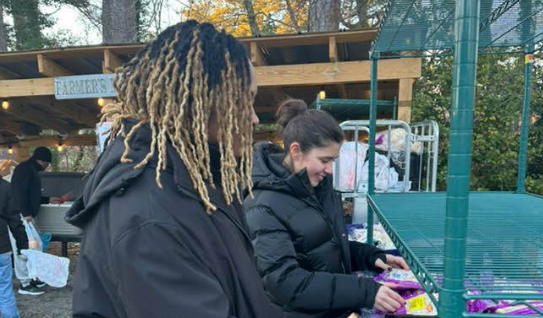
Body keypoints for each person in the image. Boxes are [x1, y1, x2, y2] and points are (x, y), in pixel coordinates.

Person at [65, 20, 284, 318]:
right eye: (246, 100)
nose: (255, 118)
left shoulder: (199, 181)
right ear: (203, 102)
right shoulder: (149, 216)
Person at [244, 99, 409, 318]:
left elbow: (324, 246)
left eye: (334, 160)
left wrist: (369, 256)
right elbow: (285, 283)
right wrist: (362, 290)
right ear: (295, 151)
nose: (330, 169)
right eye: (325, 160)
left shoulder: (318, 186)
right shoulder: (262, 205)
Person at [10, 147, 60, 295]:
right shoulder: (25, 169)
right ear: (42, 160)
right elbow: (20, 193)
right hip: (21, 216)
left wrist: (47, 199)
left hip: (27, 216)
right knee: (23, 249)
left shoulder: (30, 170)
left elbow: (32, 194)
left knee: (34, 247)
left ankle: (32, 277)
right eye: (47, 163)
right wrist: (25, 213)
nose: (47, 167)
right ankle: (25, 283)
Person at [0, 175, 28, 318]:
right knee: (4, 290)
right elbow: (15, 221)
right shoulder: (5, 187)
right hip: (1, 248)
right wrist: (23, 246)